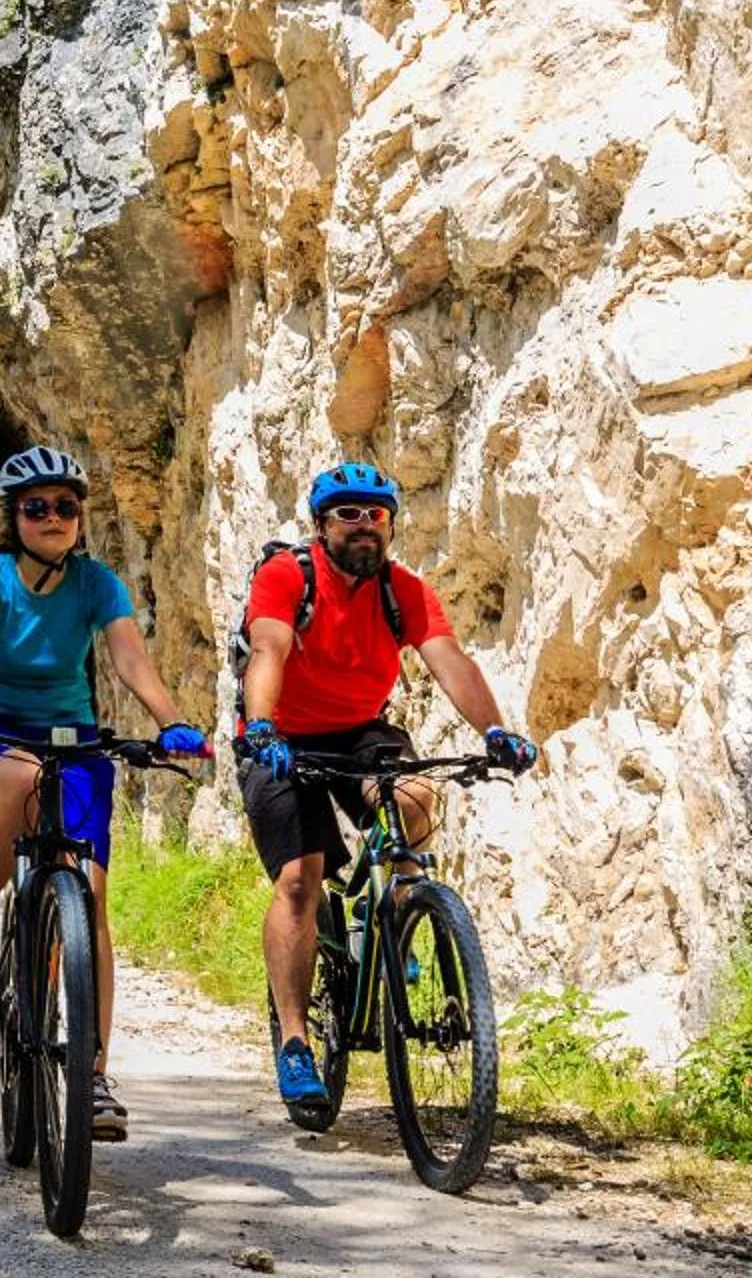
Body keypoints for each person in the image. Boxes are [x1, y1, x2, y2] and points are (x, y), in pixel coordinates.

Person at [0, 444, 207, 1141]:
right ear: (11, 517)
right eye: (36, 507)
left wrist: (174, 723)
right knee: (19, 781)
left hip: (71, 734)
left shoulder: (96, 583)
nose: (54, 517)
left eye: (66, 506)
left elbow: (129, 656)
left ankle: (93, 1072)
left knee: (91, 896)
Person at [234, 460, 538, 1110]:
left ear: (391, 525)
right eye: (349, 513)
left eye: (376, 515)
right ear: (323, 524)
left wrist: (494, 732)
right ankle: (294, 1043)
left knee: (413, 796)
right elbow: (268, 650)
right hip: (281, 737)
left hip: (361, 730)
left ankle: (400, 909)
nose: (364, 525)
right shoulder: (289, 576)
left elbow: (447, 657)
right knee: (299, 878)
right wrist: (260, 728)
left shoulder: (403, 590)